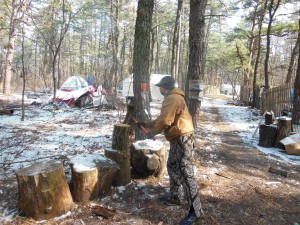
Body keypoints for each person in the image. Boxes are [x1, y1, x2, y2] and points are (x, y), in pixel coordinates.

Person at [137, 76, 203, 225]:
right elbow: (164, 118)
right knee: (172, 165)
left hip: (182, 139)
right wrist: (147, 123)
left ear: (165, 87)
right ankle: (176, 197)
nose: (159, 89)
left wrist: (152, 132)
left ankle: (196, 213)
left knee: (187, 174)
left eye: (160, 86)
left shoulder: (172, 98)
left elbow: (165, 121)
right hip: (178, 139)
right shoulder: (173, 97)